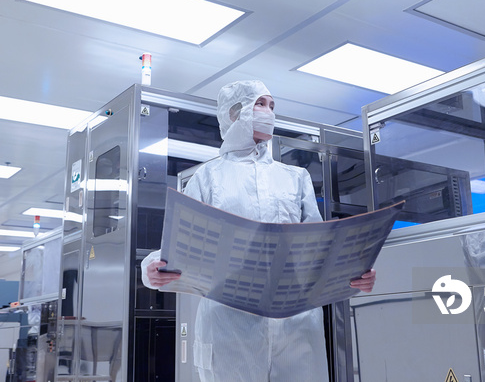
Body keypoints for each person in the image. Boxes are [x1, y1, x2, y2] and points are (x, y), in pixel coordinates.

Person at [141, 80, 376, 382]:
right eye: (260, 104)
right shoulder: (207, 178)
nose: (269, 112)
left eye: (272, 106)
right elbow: (178, 244)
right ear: (234, 113)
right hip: (229, 325)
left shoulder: (295, 178)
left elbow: (320, 249)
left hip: (297, 326)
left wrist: (355, 272)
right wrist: (152, 268)